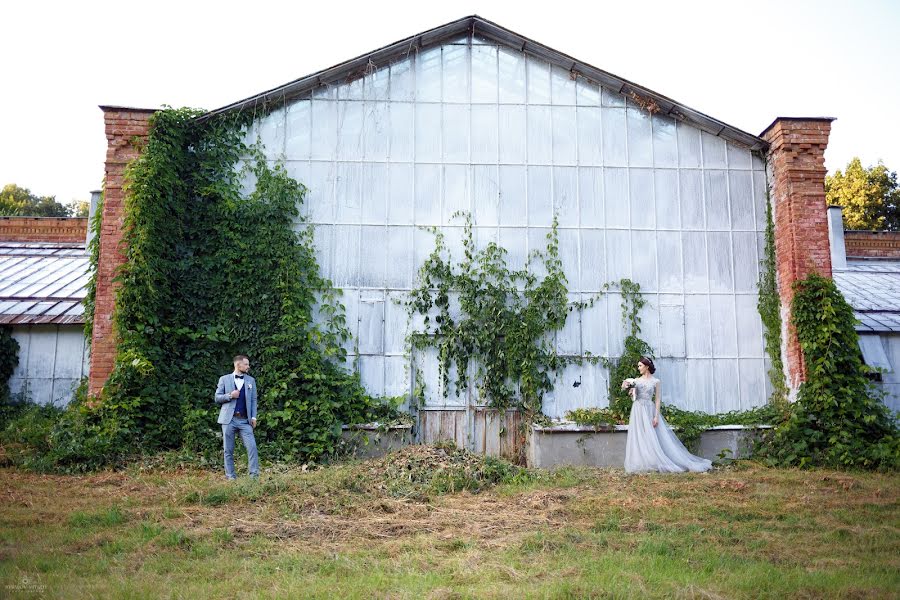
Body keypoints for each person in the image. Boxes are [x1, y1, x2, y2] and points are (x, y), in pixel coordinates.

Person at [621, 357, 711, 474]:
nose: (638, 368)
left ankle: (657, 461)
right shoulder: (636, 381)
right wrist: (630, 390)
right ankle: (643, 462)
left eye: (640, 366)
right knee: (639, 434)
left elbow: (657, 399)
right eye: (638, 366)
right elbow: (634, 396)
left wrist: (656, 416)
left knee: (651, 435)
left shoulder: (655, 381)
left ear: (647, 366)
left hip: (649, 409)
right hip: (637, 409)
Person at [215, 355, 259, 480]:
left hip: (245, 420)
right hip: (228, 420)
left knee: (252, 448)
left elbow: (254, 399)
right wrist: (230, 395)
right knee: (228, 450)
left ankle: (254, 477)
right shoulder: (224, 379)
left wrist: (254, 417)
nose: (248, 366)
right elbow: (217, 398)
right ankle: (230, 477)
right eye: (246, 364)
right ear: (238, 365)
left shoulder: (251, 380)